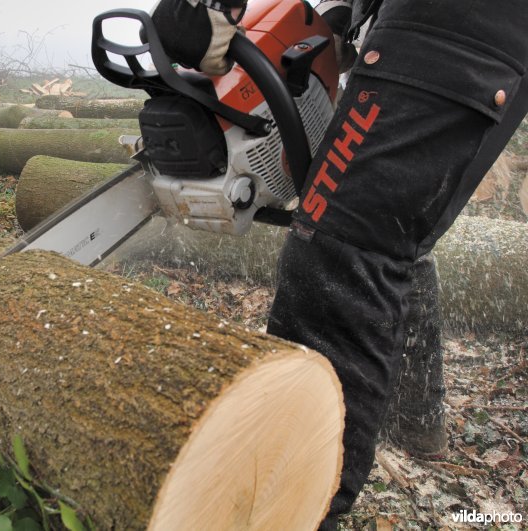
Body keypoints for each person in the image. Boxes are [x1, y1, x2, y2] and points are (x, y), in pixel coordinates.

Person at [149, 0, 528, 528]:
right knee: (387, 230)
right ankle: (417, 419)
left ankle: (295, 509)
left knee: (341, 244)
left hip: (454, 20)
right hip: (430, 22)